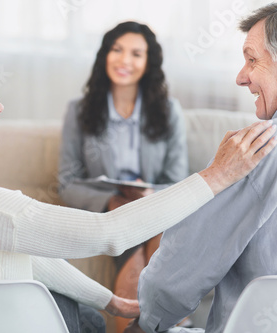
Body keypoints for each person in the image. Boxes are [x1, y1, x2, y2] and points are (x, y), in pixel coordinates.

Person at [0, 42, 276, 333]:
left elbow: (29, 254)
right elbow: (109, 233)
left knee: (88, 312)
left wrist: (109, 300)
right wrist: (218, 175)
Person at [127, 1, 277, 333]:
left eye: (252, 60)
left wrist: (147, 321)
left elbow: (181, 269)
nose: (241, 77)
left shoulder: (258, 148)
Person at [58, 21, 189, 332]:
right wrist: (112, 201)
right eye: (116, 50)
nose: (124, 60)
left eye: (136, 53)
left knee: (156, 231)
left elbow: (177, 180)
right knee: (141, 239)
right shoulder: (79, 111)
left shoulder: (169, 111)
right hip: (111, 211)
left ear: (149, 63)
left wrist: (148, 198)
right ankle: (176, 325)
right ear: (105, 55)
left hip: (155, 208)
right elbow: (67, 182)